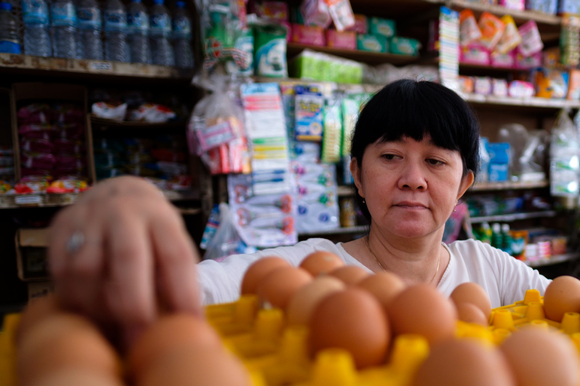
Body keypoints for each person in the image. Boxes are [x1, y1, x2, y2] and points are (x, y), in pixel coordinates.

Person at [49, 79, 550, 343]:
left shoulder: (490, 269)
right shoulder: (309, 270)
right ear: (356, 173)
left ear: (463, 183)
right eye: (391, 156)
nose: (413, 179)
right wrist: (127, 203)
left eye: (436, 161)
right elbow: (192, 289)